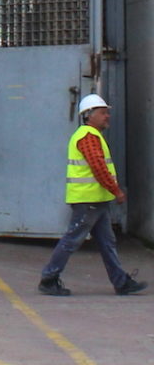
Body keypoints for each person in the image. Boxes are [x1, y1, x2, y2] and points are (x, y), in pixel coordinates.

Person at [38, 94, 147, 296]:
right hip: (88, 200)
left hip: (97, 200)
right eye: (103, 112)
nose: (107, 116)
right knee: (73, 239)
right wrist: (116, 190)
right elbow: (98, 167)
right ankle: (49, 278)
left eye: (107, 113)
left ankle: (121, 282)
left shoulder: (91, 136)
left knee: (107, 242)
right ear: (89, 115)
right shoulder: (88, 137)